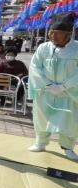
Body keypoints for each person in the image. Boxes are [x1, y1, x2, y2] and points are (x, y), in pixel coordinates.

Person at [28, 12, 78, 161]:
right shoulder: (43, 48)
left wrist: (64, 86)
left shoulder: (76, 49)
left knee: (69, 119)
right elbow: (35, 67)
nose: (52, 36)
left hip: (68, 93)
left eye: (57, 33)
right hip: (46, 91)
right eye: (51, 32)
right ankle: (40, 142)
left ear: (68, 34)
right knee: (41, 116)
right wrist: (48, 85)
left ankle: (68, 147)